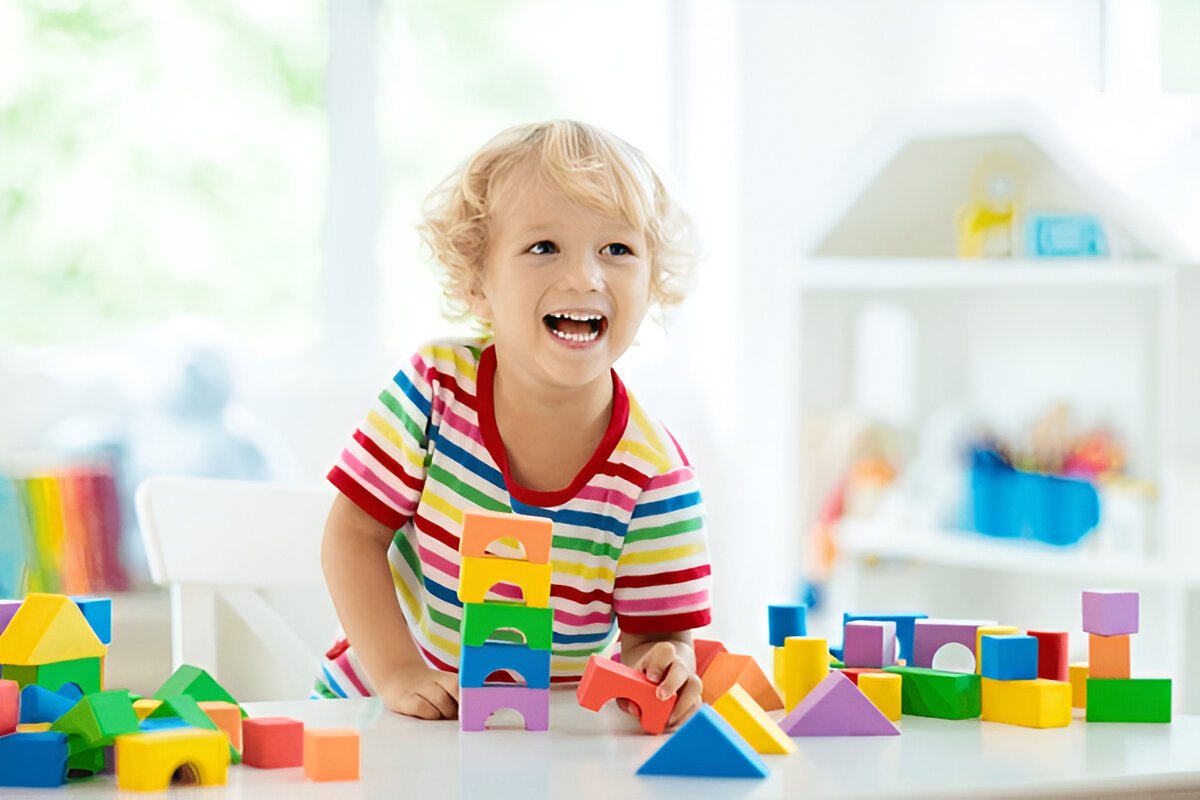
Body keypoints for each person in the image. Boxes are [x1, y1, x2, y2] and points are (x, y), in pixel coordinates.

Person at [318, 120, 711, 730]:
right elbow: (352, 537)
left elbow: (657, 638)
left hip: (539, 743)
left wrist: (667, 664)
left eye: (618, 249)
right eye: (543, 247)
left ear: (652, 281)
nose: (585, 277)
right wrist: (397, 673)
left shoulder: (655, 474)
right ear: (478, 284)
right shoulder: (436, 389)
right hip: (377, 710)